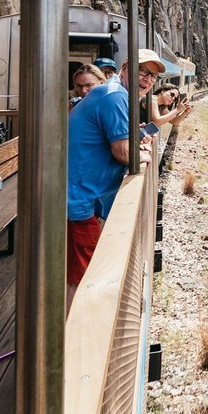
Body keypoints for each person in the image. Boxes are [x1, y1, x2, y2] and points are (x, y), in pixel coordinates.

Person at [66, 47, 164, 298]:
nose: (147, 79)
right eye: (142, 71)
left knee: (79, 270)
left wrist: (137, 142)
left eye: (152, 76)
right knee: (82, 279)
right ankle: (76, 331)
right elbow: (122, 151)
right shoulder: (114, 96)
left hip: (82, 194)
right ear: (125, 67)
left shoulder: (116, 93)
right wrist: (144, 154)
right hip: (79, 200)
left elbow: (119, 140)